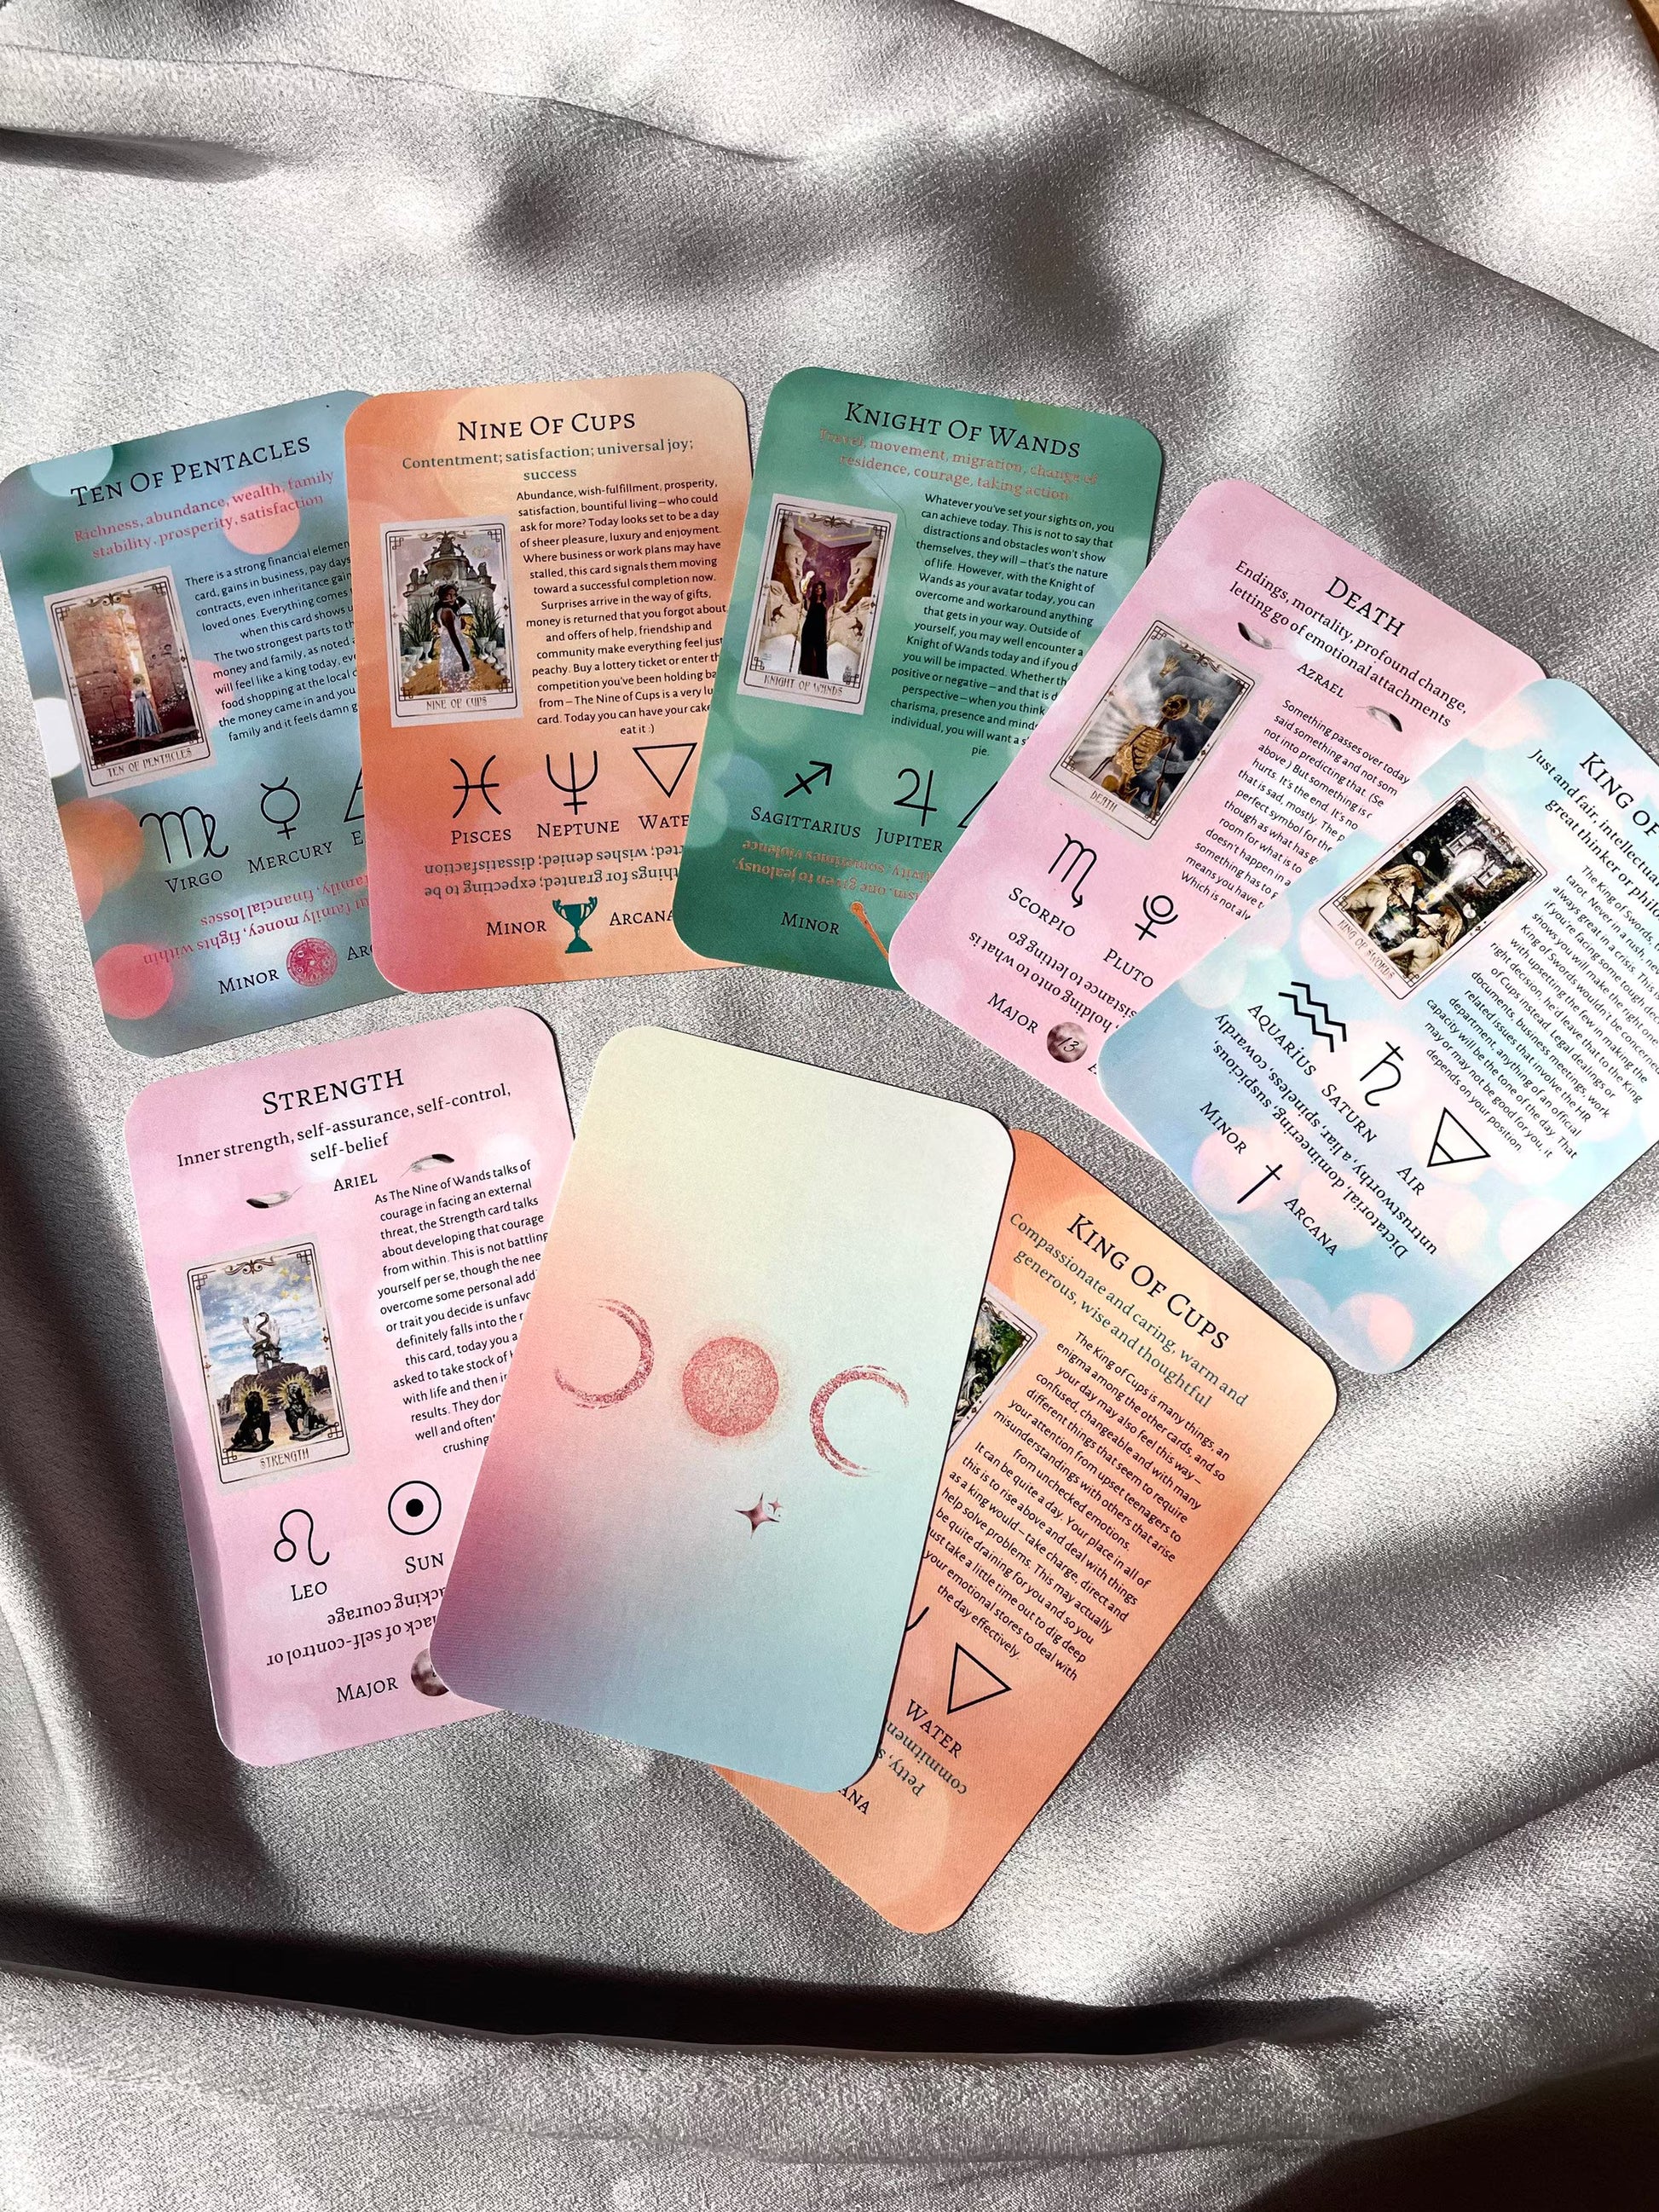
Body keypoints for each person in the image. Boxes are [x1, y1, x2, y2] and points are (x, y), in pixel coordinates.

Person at [432, 583, 472, 691]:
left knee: (456, 682)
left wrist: (454, 596)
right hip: (454, 649)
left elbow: (463, 601)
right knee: (458, 681)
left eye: (454, 595)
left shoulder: (447, 609)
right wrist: (463, 659)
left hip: (451, 648)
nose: (452, 597)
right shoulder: (447, 612)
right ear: (442, 596)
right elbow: (453, 636)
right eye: (449, 595)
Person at [798, 575, 830, 680]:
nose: (818, 590)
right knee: (807, 652)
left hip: (820, 630)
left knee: (821, 653)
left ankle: (821, 675)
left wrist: (826, 634)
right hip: (809, 629)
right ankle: (806, 672)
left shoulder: (826, 603)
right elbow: (805, 608)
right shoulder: (809, 601)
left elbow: (826, 619)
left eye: (820, 588)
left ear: (823, 590)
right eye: (816, 588)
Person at [228, 1389, 271, 1454]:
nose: (256, 1404)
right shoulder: (248, 1418)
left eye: (256, 1401)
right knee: (245, 1430)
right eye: (253, 1402)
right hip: (243, 1433)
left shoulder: (263, 1414)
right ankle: (242, 1441)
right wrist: (254, 1440)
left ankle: (265, 1438)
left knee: (265, 1419)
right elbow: (248, 1430)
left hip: (257, 1415)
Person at [129, 674, 161, 742]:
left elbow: (132, 699)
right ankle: (151, 730)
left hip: (138, 704)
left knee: (141, 716)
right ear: (140, 681)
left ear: (135, 683)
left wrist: (136, 700)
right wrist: (147, 695)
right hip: (145, 703)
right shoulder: (143, 688)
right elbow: (148, 696)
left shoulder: (134, 691)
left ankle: (144, 732)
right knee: (147, 714)